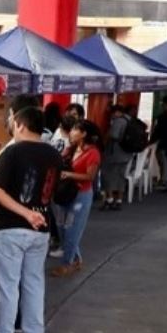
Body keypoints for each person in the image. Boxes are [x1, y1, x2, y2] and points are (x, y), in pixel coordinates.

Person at [0, 98, 60, 333]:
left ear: (20, 125)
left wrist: (24, 212)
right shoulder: (54, 154)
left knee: (8, 285)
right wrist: (34, 214)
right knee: (34, 283)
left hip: (10, 228)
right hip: (41, 230)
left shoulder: (12, 152)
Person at [51, 119, 101, 277]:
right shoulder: (72, 148)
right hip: (66, 193)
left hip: (81, 195)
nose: (71, 132)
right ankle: (76, 259)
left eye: (75, 130)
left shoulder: (93, 153)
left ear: (84, 134)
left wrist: (69, 174)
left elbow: (90, 176)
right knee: (63, 229)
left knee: (72, 229)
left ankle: (67, 264)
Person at [99, 104, 131, 211]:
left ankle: (110, 199)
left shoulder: (118, 121)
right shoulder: (129, 119)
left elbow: (114, 136)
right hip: (126, 154)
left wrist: (106, 136)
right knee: (120, 177)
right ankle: (119, 200)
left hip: (115, 154)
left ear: (117, 112)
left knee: (107, 175)